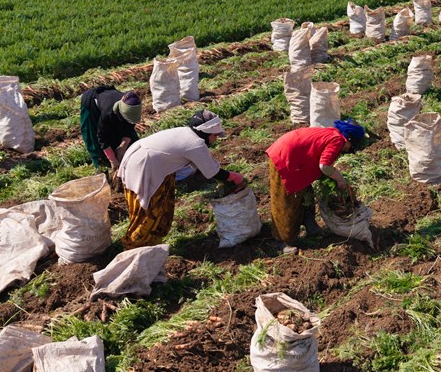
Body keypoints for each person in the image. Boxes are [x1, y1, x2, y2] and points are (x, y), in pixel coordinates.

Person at [117, 110, 244, 248]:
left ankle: (151, 246)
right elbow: (213, 172)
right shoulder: (196, 143)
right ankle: (134, 249)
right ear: (206, 133)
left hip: (142, 160)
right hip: (144, 167)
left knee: (161, 209)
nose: (216, 139)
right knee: (148, 214)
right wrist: (235, 177)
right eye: (215, 135)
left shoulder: (185, 132)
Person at [266, 119, 365, 253]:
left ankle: (311, 227)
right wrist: (340, 179)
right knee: (285, 201)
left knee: (306, 194)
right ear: (348, 139)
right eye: (350, 146)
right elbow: (324, 166)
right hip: (284, 158)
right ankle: (281, 241)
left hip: (295, 158)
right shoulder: (338, 140)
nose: (347, 150)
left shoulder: (333, 134)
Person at [79, 87, 141, 171]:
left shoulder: (131, 103)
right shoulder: (107, 113)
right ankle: (101, 167)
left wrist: (123, 145)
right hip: (91, 103)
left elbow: (130, 124)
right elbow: (101, 137)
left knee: (131, 140)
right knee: (95, 141)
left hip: (109, 97)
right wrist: (112, 160)